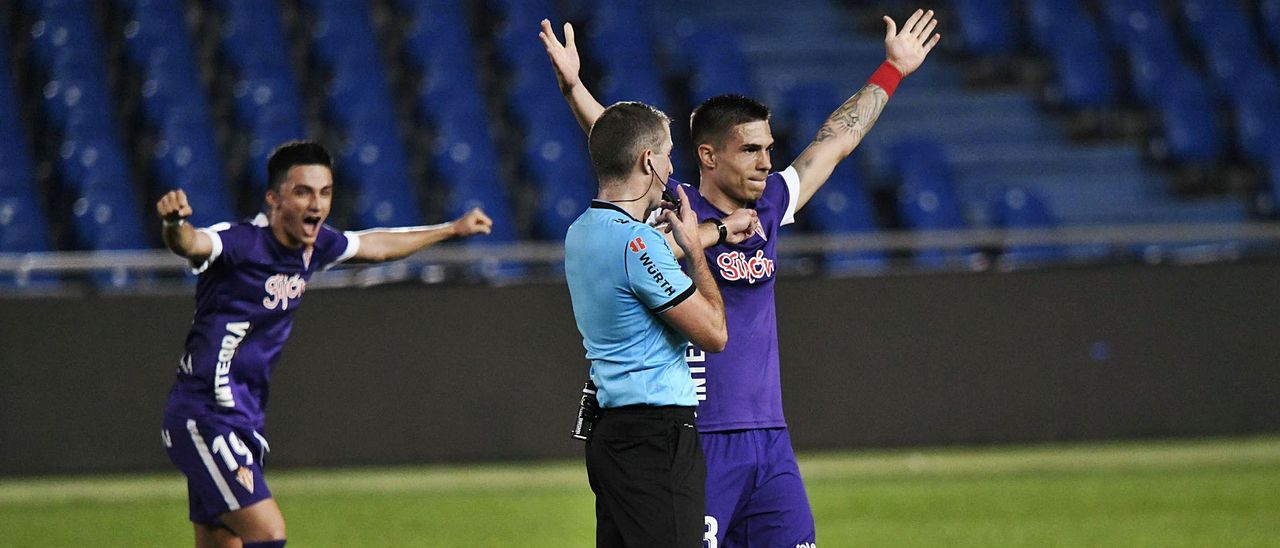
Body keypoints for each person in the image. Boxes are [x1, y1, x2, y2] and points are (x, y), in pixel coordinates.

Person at [542, 9, 940, 546]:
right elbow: (616, 142)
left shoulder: (772, 204)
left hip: (769, 441)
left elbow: (834, 143)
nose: (764, 163)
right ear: (707, 156)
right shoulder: (674, 212)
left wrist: (891, 71)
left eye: (769, 149)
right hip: (698, 440)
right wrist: (574, 88)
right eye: (751, 150)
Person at [157, 140, 493, 548]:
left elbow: (375, 245)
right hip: (205, 417)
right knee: (269, 534)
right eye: (302, 192)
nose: (316, 204)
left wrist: (451, 229)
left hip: (242, 421)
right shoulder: (241, 243)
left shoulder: (313, 248)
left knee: (225, 542)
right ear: (274, 198)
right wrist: (175, 226)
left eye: (325, 192)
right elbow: (193, 244)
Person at [565, 101, 757, 547]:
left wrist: (720, 230)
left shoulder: (582, 231)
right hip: (656, 439)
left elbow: (644, 261)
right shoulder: (638, 243)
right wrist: (697, 252)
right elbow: (714, 333)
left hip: (610, 436)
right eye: (668, 153)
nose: (672, 166)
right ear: (648, 161)